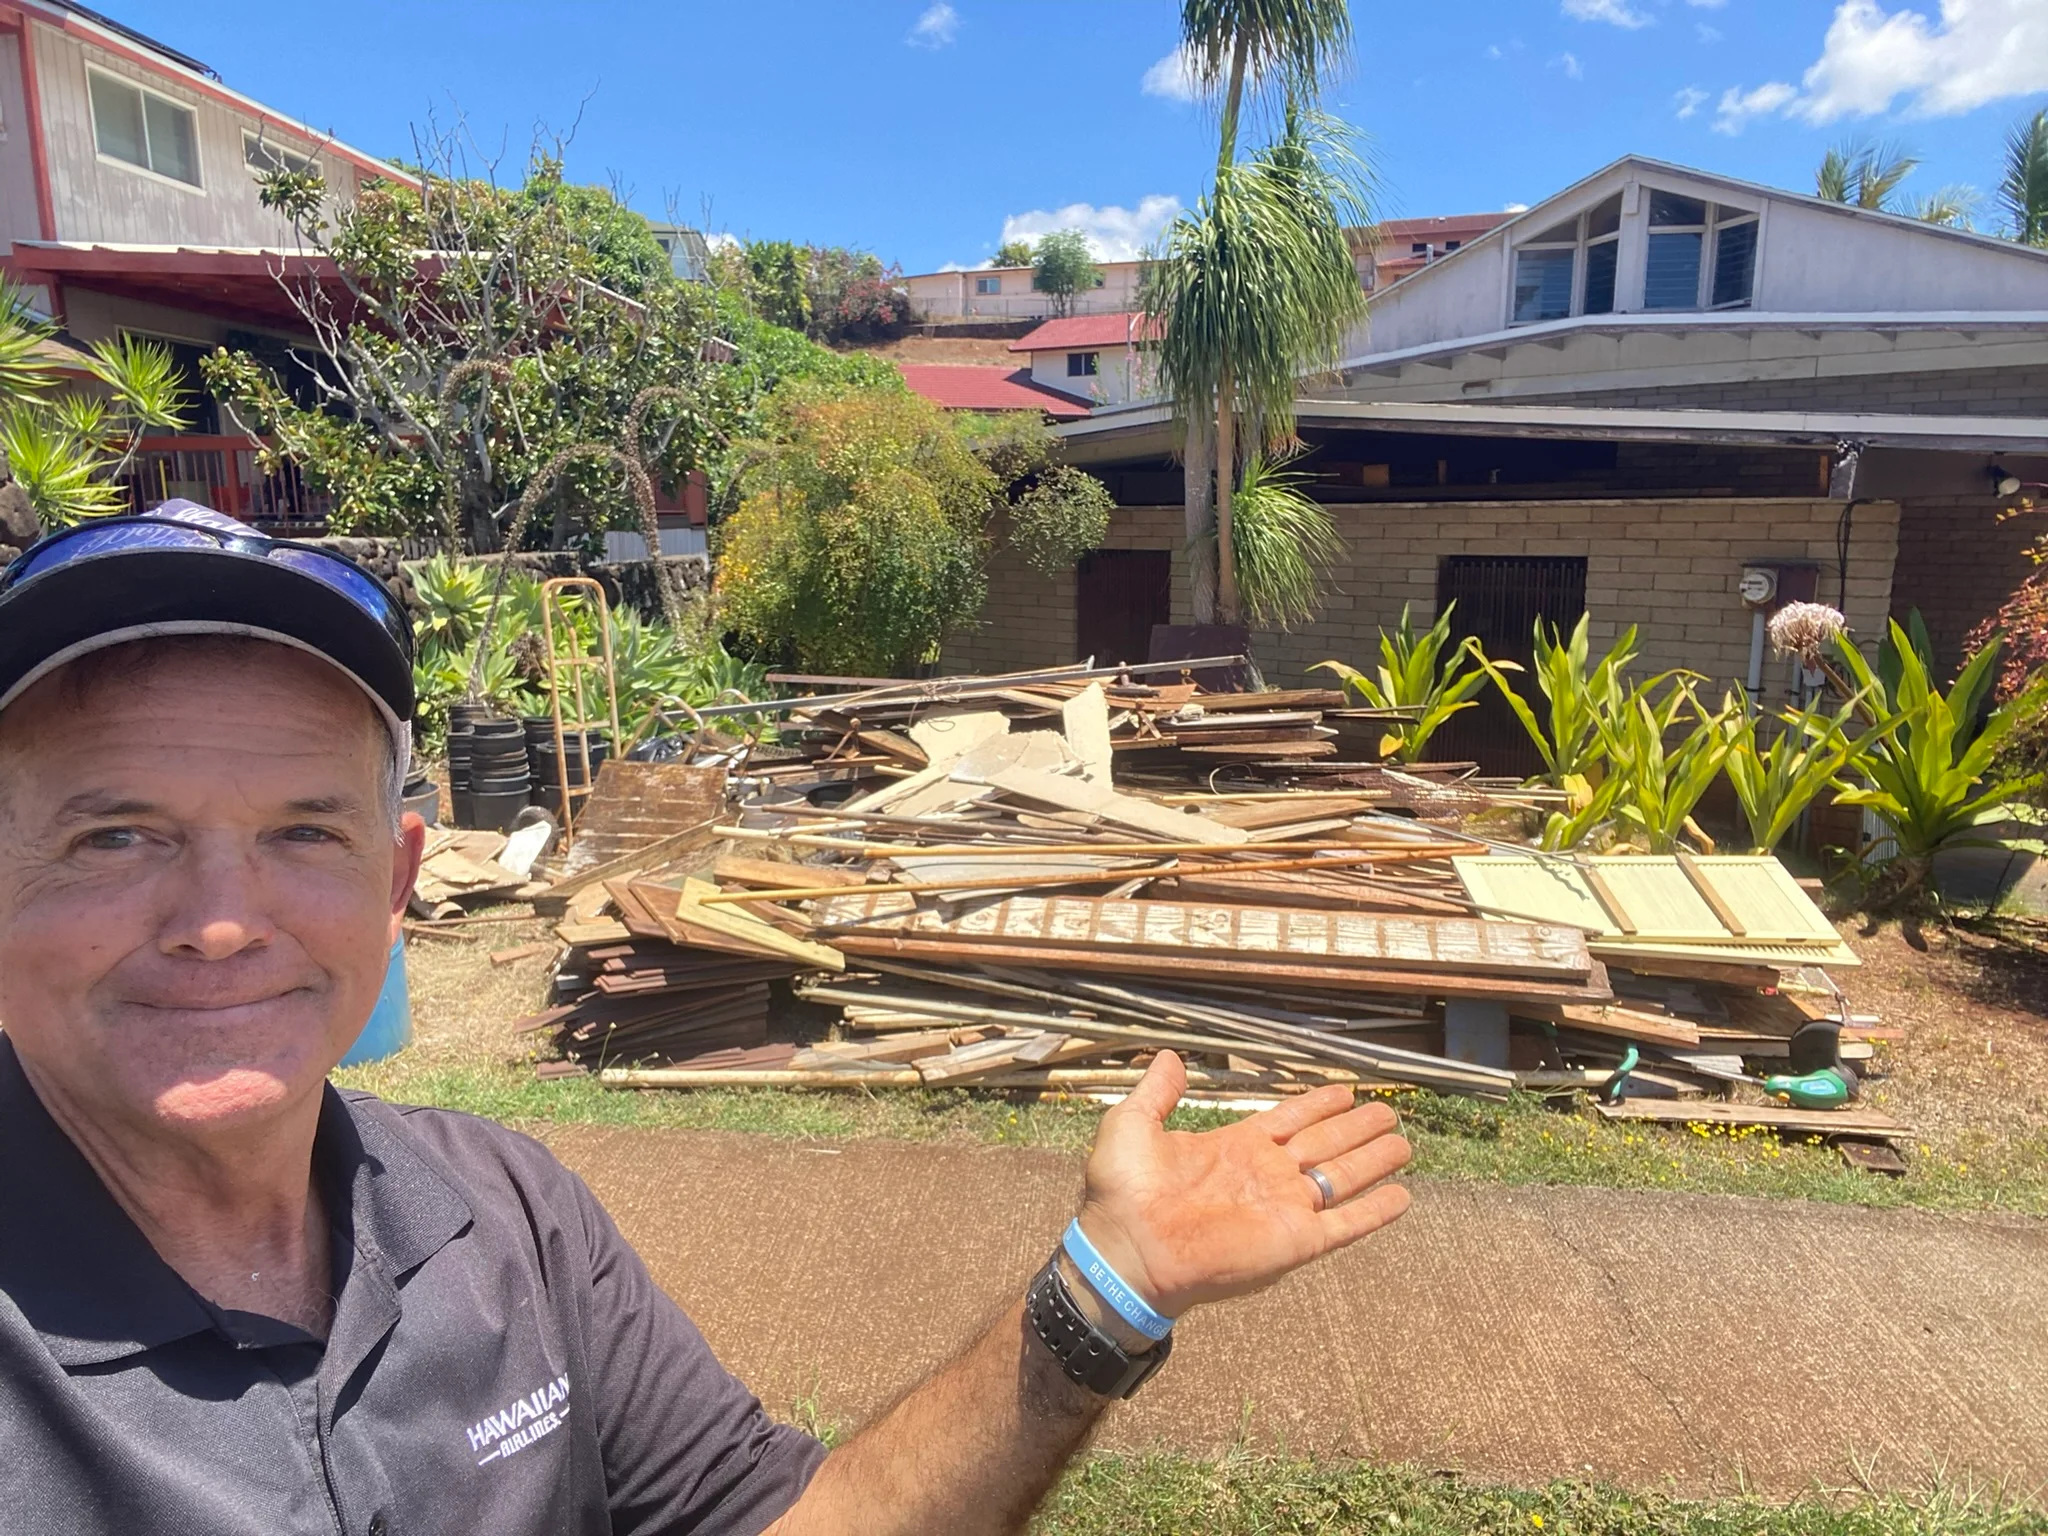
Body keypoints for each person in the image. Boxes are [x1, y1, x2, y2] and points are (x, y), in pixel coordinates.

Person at [0, 503, 1413, 1536]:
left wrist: (1100, 1295)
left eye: (304, 831)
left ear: (398, 882)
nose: (224, 917)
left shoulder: (501, 1218)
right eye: (117, 836)